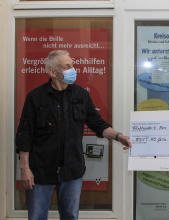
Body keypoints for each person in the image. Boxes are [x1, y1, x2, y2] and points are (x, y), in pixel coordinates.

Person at [15, 50, 132, 220]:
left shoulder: (81, 94)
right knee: (36, 216)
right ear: (52, 72)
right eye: (67, 66)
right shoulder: (36, 96)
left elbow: (97, 123)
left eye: (72, 65)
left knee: (70, 215)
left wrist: (120, 136)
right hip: (41, 169)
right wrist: (25, 169)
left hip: (72, 168)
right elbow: (25, 135)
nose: (73, 69)